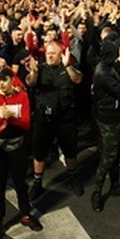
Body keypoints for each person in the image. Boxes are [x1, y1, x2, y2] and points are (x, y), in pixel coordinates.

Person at [0, 67, 42, 239]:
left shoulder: (22, 96)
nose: (1, 83)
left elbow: (26, 124)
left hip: (18, 145)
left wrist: (11, 118)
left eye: (4, 79)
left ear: (12, 80)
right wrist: (2, 119)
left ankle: (25, 214)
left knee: (20, 182)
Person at [27, 41, 84, 199]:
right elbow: (30, 82)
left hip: (65, 118)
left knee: (70, 151)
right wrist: (33, 72)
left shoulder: (69, 68)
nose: (50, 55)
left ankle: (73, 177)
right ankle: (38, 183)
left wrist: (67, 66)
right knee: (39, 153)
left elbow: (78, 79)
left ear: (61, 54)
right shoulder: (40, 69)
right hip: (43, 119)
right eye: (48, 53)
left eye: (53, 53)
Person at [90, 38, 120, 213]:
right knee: (108, 156)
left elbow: (116, 71)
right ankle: (96, 192)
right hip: (109, 119)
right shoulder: (103, 73)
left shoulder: (106, 66)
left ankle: (115, 185)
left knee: (116, 153)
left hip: (117, 117)